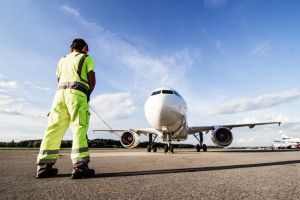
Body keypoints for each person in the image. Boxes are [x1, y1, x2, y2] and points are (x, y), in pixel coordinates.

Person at [36, 38, 96, 179]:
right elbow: (92, 81)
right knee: (79, 128)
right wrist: (86, 95)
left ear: (70, 48)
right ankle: (80, 167)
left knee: (53, 129)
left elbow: (59, 79)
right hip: (77, 94)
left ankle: (44, 167)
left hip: (59, 95)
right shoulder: (86, 58)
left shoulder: (62, 60)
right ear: (85, 47)